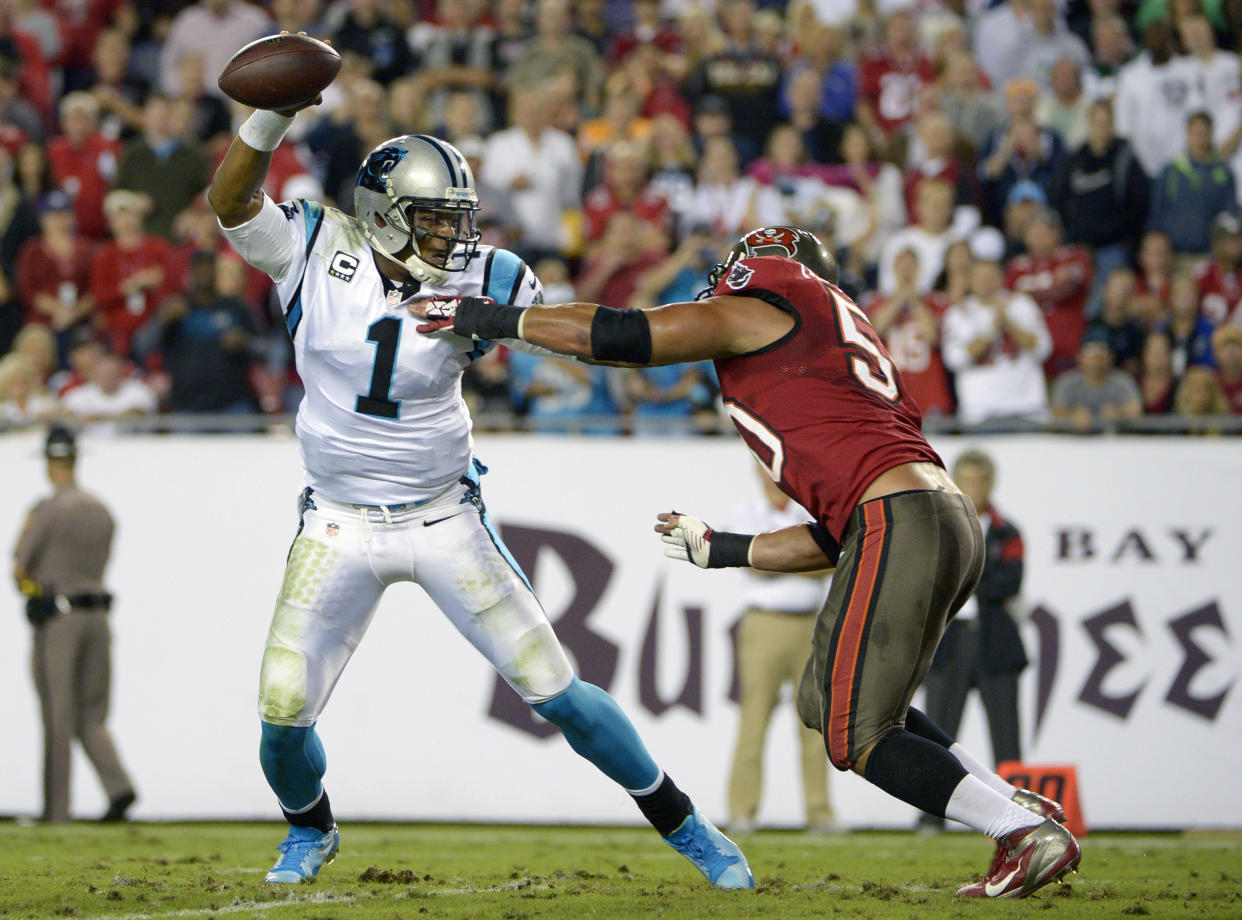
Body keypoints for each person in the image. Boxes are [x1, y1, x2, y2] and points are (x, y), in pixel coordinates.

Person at [410, 225, 1082, 898]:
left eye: (739, 266)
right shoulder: (835, 346)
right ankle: (1015, 807)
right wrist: (727, 549)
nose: (725, 277)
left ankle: (1018, 832)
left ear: (772, 272)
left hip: (902, 519)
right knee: (828, 701)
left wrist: (484, 317)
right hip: (930, 515)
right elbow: (837, 531)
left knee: (857, 736)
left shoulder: (770, 305)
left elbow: (621, 336)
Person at [207, 89, 752, 889]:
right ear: (385, 213)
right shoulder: (314, 246)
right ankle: (309, 830)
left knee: (555, 688)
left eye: (456, 216)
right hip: (337, 522)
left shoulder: (493, 271)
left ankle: (688, 825)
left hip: (441, 514)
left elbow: (578, 337)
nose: (454, 234)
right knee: (283, 712)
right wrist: (268, 119)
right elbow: (230, 203)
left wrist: (503, 321)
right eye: (433, 217)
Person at [11, 423, 137, 824]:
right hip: (98, 618)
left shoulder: (47, 511)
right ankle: (118, 786)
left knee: (58, 714)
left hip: (61, 621)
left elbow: (19, 566)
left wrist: (33, 590)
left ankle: (57, 810)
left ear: (49, 463)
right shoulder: (101, 511)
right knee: (92, 714)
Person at [919, 449, 1028, 834]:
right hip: (948, 643)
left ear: (990, 484)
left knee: (1007, 736)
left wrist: (963, 571)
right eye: (967, 479)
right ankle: (931, 815)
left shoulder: (1006, 530)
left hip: (995, 643)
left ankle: (1019, 818)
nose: (974, 488)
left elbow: (1010, 583)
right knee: (939, 737)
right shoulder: (937, 527)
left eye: (980, 481)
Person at [726, 465, 836, 836]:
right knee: (753, 719)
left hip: (810, 623)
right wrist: (800, 559)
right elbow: (753, 565)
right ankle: (741, 810)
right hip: (765, 622)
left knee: (814, 723)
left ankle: (819, 813)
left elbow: (830, 561)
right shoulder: (746, 511)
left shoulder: (809, 512)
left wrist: (777, 558)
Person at [1050, 329, 1143, 432]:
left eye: (1103, 350)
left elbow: (1135, 408)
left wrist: (1119, 413)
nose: (1097, 356)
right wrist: (1073, 415)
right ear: (1080, 356)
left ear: (1111, 356)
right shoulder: (1067, 382)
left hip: (1115, 442)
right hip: (1073, 443)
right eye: (1090, 350)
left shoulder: (1123, 380)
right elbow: (1056, 411)